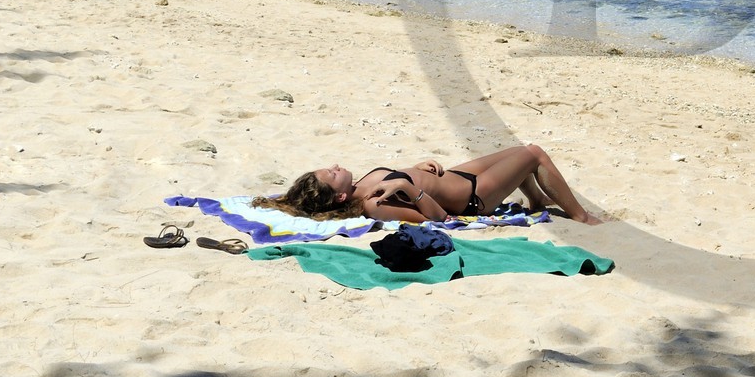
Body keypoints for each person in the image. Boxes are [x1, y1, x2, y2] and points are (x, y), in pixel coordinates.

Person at [253, 143, 602, 225]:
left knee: (515, 153)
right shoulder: (374, 204)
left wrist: (414, 169)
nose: (334, 166)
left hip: (456, 177)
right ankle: (581, 216)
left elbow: (403, 176)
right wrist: (412, 191)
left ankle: (539, 203)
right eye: (331, 174)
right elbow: (439, 220)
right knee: (533, 154)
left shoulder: (363, 182)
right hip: (473, 197)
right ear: (340, 194)